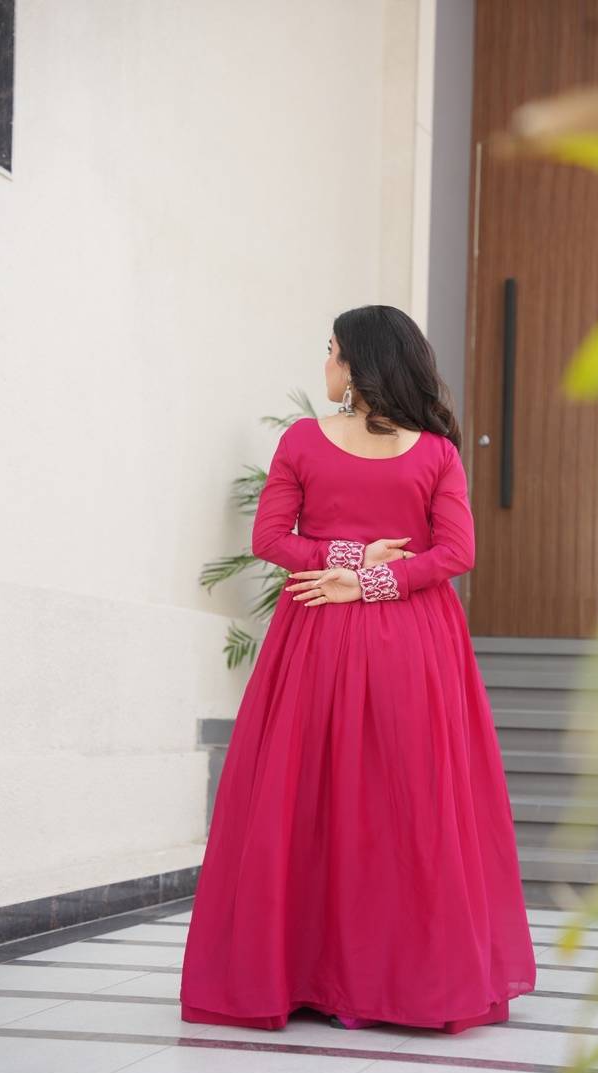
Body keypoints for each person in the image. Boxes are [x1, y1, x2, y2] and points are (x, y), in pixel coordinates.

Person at [179, 304, 536, 1034]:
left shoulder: (317, 441)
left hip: (326, 631)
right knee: (400, 804)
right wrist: (364, 565)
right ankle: (398, 981)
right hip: (403, 635)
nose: (325, 363)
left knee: (314, 798)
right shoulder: (431, 451)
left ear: (357, 364)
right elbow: (452, 553)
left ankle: (313, 975)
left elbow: (273, 539)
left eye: (332, 350)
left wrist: (351, 573)